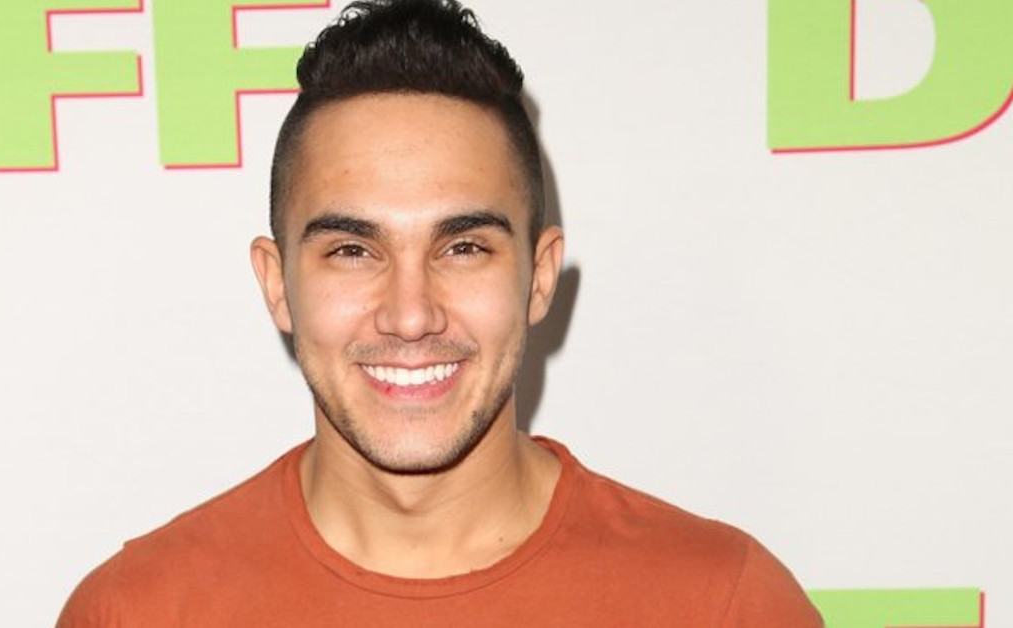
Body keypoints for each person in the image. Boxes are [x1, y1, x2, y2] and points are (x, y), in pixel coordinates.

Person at [56, 1, 824, 625]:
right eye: (354, 250)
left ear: (539, 276)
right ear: (278, 284)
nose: (411, 314)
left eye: (463, 248)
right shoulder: (138, 609)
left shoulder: (725, 603)